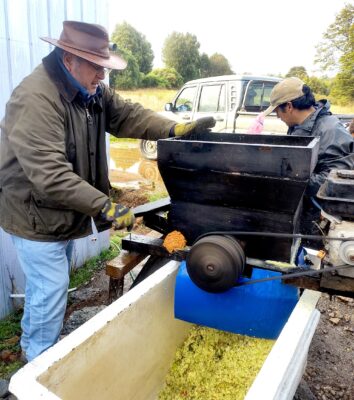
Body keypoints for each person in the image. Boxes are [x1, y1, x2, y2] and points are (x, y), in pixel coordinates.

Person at [0, 20, 215, 362]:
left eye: (104, 67)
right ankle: (37, 367)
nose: (102, 75)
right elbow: (51, 175)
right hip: (35, 214)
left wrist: (174, 128)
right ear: (69, 58)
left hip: (61, 211)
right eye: (96, 67)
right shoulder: (36, 99)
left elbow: (128, 115)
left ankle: (36, 348)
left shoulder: (89, 90)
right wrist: (107, 206)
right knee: (50, 290)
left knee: (48, 291)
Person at [263, 77, 354, 239]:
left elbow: (333, 181)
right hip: (303, 207)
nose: (277, 116)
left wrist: (290, 183)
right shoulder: (299, 126)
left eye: (277, 111)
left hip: (319, 217)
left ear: (289, 106)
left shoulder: (330, 130)